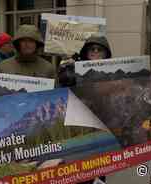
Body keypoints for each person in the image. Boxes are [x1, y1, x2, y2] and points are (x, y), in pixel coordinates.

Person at [58, 35, 112, 184]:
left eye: (99, 49)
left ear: (106, 53)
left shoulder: (112, 73)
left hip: (102, 132)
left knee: (98, 173)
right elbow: (62, 88)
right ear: (85, 53)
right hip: (79, 131)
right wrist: (65, 69)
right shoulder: (74, 70)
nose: (95, 52)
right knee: (77, 173)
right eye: (91, 49)